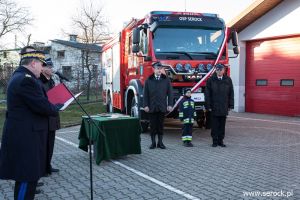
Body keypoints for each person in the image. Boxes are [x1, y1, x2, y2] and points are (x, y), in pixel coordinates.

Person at [0, 49, 61, 200]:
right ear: (33, 63)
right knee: (26, 179)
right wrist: (57, 107)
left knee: (27, 179)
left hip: (25, 136)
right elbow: (42, 106)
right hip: (26, 139)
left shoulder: (21, 76)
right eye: (41, 65)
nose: (42, 68)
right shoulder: (26, 80)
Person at [143, 61, 173, 149]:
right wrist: (145, 105)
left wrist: (170, 104)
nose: (159, 70)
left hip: (162, 107)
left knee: (160, 126)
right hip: (152, 107)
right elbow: (145, 94)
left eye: (160, 69)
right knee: (153, 126)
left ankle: (160, 143)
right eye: (157, 68)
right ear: (154, 69)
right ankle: (153, 143)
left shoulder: (166, 80)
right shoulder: (149, 80)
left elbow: (170, 93)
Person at [205, 64, 234, 147]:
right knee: (214, 126)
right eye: (218, 70)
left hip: (224, 106)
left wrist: (231, 105)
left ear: (224, 70)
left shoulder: (228, 80)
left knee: (222, 125)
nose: (219, 71)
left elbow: (231, 93)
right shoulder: (211, 80)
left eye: (221, 70)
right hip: (214, 107)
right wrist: (208, 106)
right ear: (216, 70)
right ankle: (214, 141)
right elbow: (207, 94)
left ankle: (221, 141)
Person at [40, 58, 61, 174]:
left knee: (51, 143)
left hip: (53, 117)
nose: (51, 69)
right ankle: (42, 168)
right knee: (44, 144)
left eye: (51, 67)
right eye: (49, 67)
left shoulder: (51, 81)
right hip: (45, 117)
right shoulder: (39, 82)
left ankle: (48, 165)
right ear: (42, 69)